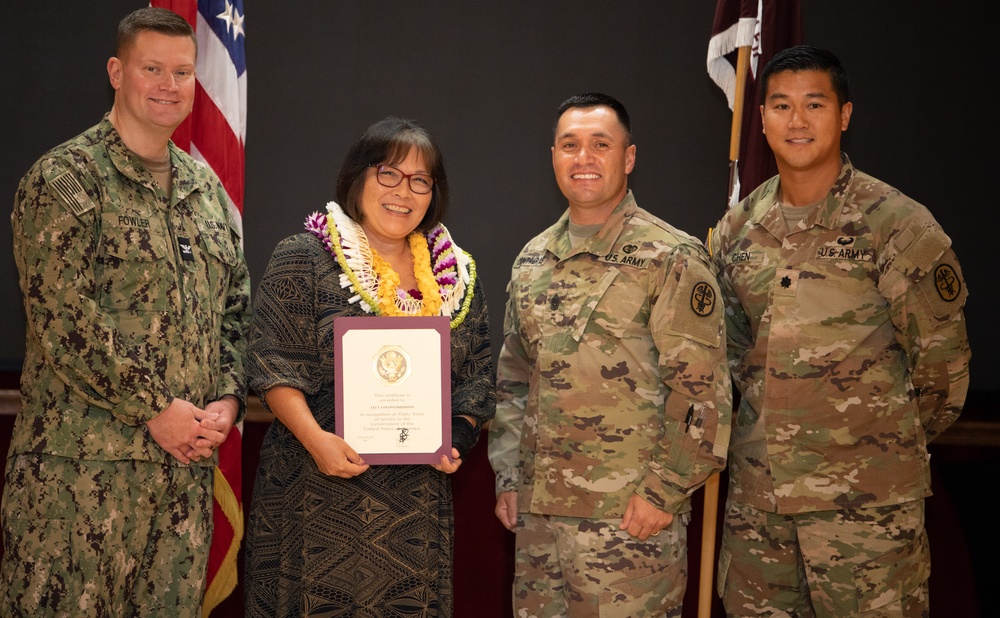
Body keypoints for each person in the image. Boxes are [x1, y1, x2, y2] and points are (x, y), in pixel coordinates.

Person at [1, 7, 250, 617]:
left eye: (183, 72)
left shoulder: (205, 190)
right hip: (78, 482)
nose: (169, 86)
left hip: (181, 483)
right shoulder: (65, 181)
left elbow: (234, 307)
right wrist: (155, 410)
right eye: (152, 69)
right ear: (117, 72)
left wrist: (227, 398)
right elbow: (64, 322)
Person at [709, 45, 971, 617]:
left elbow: (943, 374)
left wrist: (871, 445)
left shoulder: (896, 225)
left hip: (866, 514)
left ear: (845, 115)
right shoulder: (737, 230)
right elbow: (732, 357)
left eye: (814, 104)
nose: (796, 121)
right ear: (761, 119)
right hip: (761, 506)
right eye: (781, 105)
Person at [487, 93, 731, 617]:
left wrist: (662, 494)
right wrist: (509, 479)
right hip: (538, 524)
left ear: (629, 157)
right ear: (553, 154)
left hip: (629, 525)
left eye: (601, 144)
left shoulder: (670, 256)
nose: (584, 158)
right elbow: (512, 382)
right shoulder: (532, 259)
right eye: (570, 145)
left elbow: (702, 393)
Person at [244, 116, 495, 617]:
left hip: (414, 514)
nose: (404, 191)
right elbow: (273, 365)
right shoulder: (304, 257)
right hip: (314, 493)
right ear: (357, 177)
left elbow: (478, 376)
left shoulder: (457, 276)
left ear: (434, 193)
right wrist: (318, 442)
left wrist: (457, 437)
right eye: (388, 173)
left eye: (420, 180)